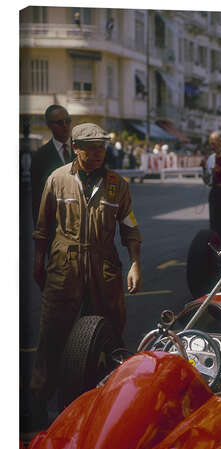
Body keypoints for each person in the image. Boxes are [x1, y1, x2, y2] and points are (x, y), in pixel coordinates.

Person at [30, 123, 142, 429]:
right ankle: (40, 403)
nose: (97, 154)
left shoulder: (118, 185)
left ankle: (110, 400)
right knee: (52, 333)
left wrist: (134, 263)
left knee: (111, 333)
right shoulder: (57, 180)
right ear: (75, 149)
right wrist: (39, 262)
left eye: (101, 148)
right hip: (64, 263)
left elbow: (129, 227)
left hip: (103, 264)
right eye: (90, 149)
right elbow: (42, 228)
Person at [31, 105, 74, 227]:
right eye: (59, 123)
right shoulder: (40, 157)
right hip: (56, 226)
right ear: (49, 125)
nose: (65, 126)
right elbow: (37, 199)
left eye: (67, 121)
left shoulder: (83, 149)